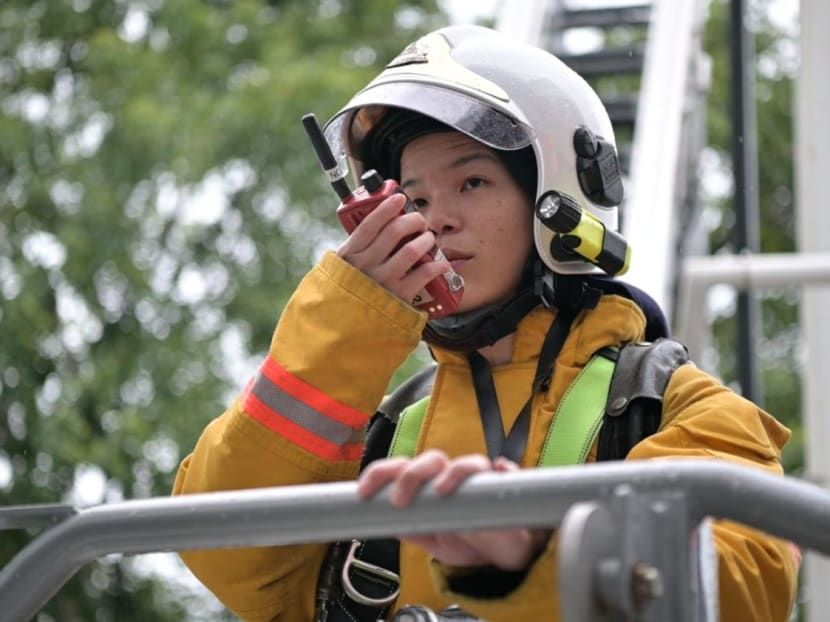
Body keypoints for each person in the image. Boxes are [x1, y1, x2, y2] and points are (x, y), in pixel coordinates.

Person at [173, 25, 798, 622]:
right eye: (414, 200)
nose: (435, 220)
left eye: (471, 181)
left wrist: (545, 556)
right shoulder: (382, 434)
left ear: (559, 205)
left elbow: (741, 587)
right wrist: (350, 316)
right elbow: (223, 550)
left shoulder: (684, 410)